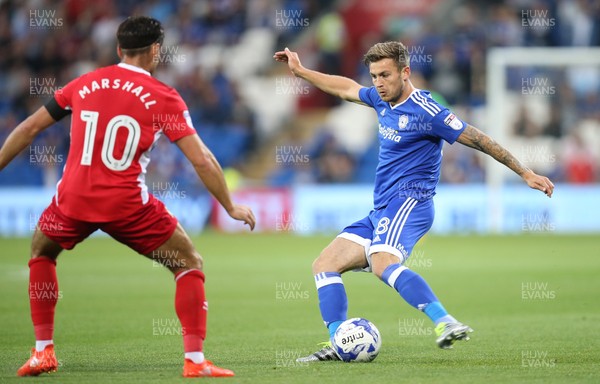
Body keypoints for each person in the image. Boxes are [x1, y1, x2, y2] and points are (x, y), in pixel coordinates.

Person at [0, 16, 255, 377]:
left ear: (119, 49)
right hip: (127, 207)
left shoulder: (83, 84)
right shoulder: (164, 96)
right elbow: (202, 158)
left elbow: (27, 129)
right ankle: (195, 361)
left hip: (73, 201)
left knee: (41, 252)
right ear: (155, 51)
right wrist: (229, 205)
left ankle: (43, 351)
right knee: (188, 263)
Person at [273, 42, 554, 361]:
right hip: (381, 209)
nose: (378, 83)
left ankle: (445, 321)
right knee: (324, 265)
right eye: (374, 76)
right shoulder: (380, 101)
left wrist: (525, 173)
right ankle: (339, 340)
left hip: (411, 203)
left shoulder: (427, 110)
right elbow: (346, 88)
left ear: (405, 73)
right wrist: (300, 70)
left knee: (383, 264)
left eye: (385, 75)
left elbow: (479, 139)